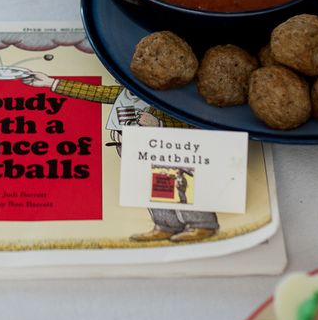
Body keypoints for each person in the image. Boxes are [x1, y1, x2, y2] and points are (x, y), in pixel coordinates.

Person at [21, 72, 219, 243]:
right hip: (129, 148)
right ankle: (166, 226)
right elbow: (90, 91)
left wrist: (157, 125)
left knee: (180, 183)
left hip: (163, 147)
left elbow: (190, 124)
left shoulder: (164, 98)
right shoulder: (121, 94)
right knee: (151, 188)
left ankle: (202, 224)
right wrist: (49, 82)